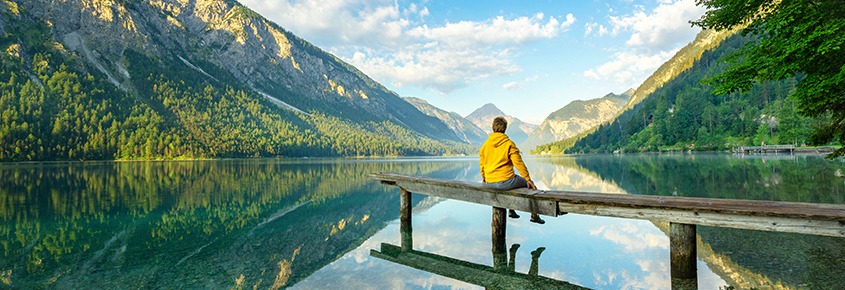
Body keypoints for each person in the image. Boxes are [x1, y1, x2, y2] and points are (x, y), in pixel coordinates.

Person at [480, 116, 545, 224]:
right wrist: (528, 179)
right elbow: (518, 163)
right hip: (506, 181)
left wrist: (484, 177)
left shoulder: (485, 145)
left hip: (490, 182)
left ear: (493, 128)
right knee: (528, 185)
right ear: (505, 128)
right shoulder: (509, 144)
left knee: (511, 184)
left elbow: (482, 163)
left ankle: (511, 210)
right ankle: (534, 215)